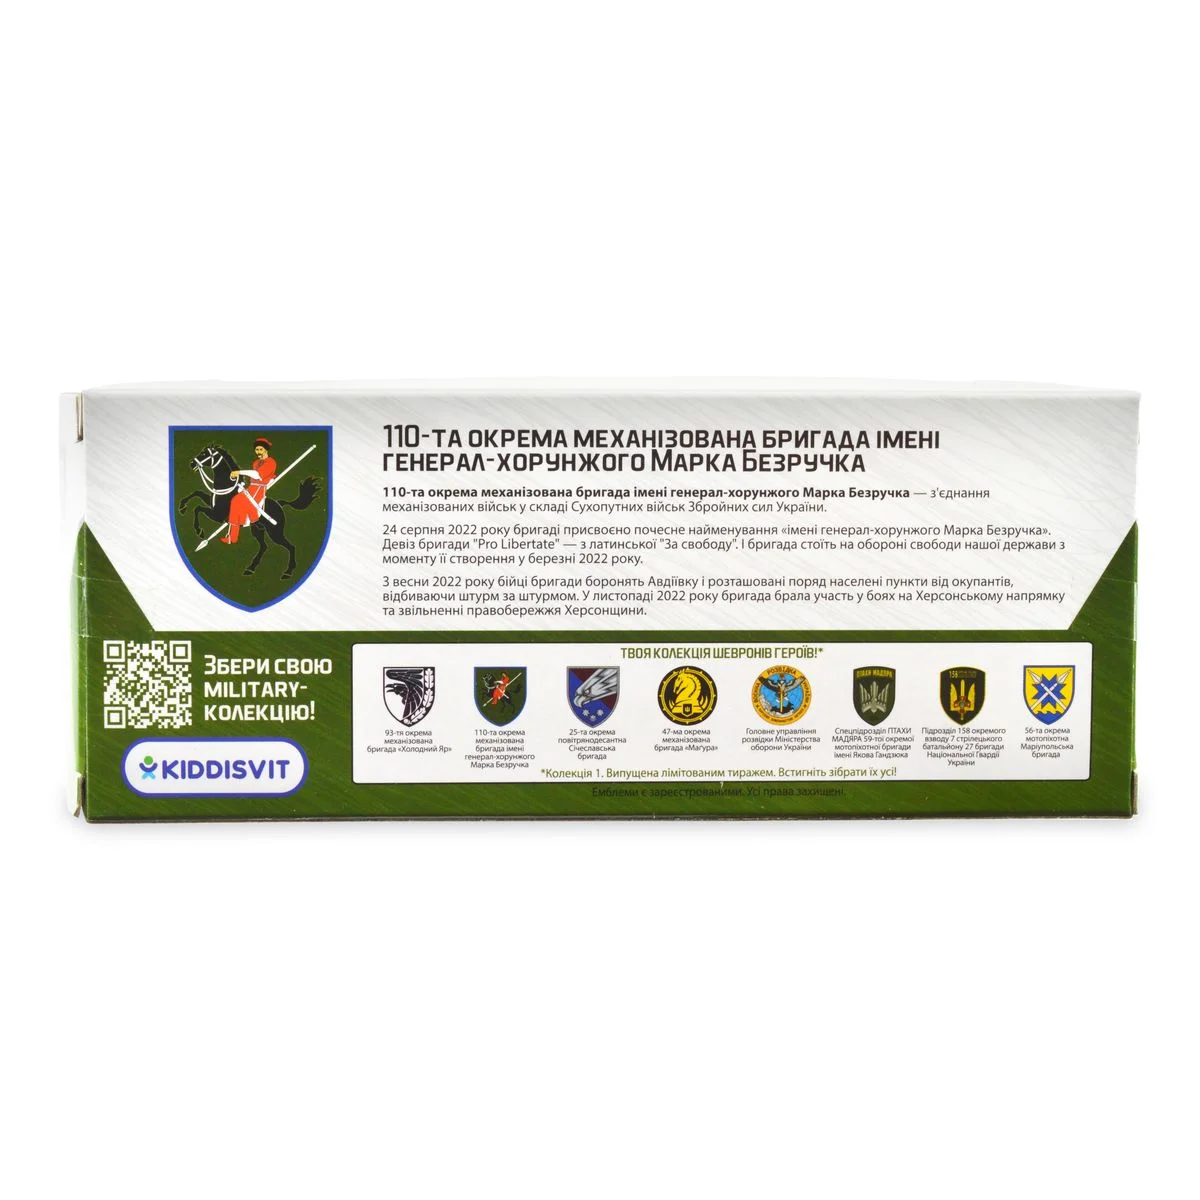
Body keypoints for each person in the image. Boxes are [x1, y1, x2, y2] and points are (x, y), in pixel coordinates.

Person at [221, 437, 276, 544]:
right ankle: (236, 532)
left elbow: (257, 475)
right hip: (251, 487)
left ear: (266, 450)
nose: (258, 452)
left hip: (259, 489)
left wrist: (239, 472)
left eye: (261, 449)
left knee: (237, 501)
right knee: (235, 499)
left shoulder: (271, 462)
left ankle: (236, 534)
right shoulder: (256, 462)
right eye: (257, 449)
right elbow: (253, 477)